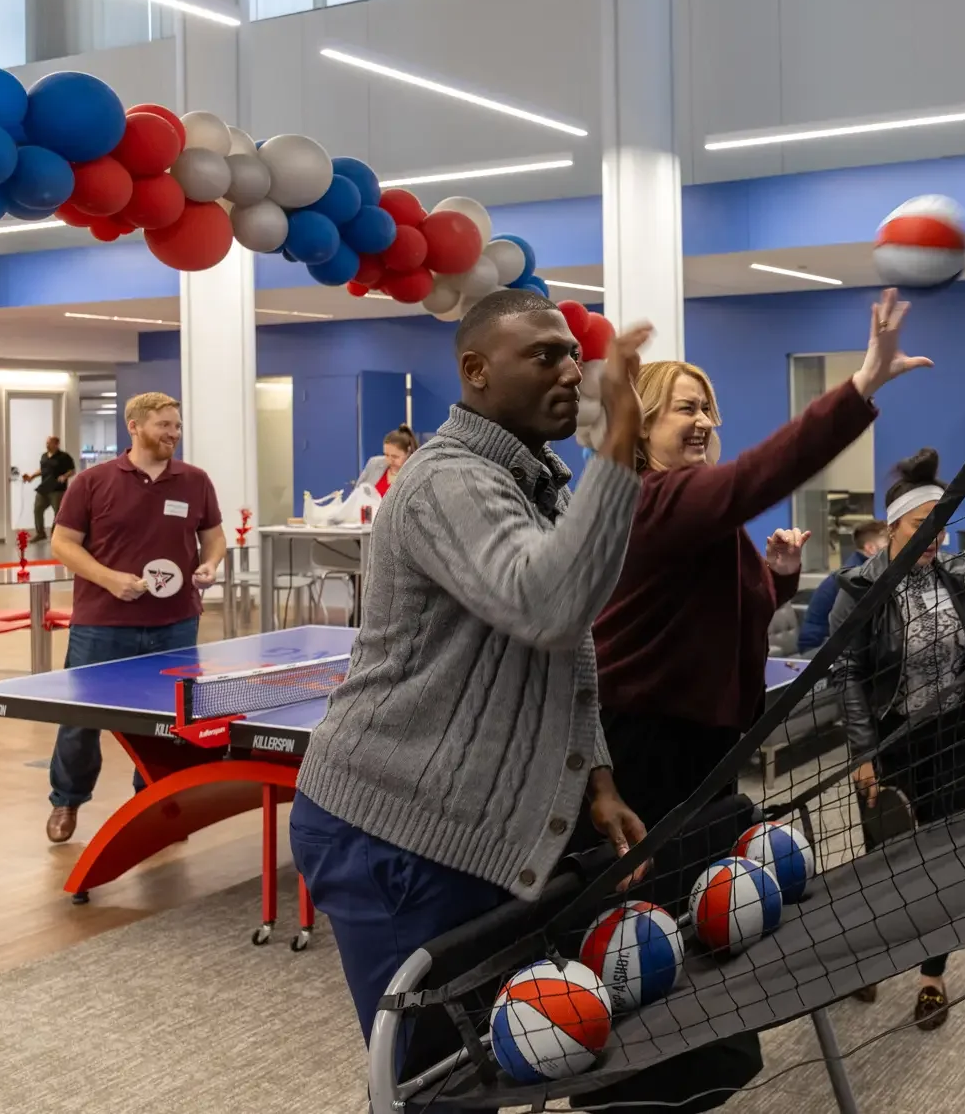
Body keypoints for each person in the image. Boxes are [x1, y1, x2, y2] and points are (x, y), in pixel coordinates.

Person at [589, 289, 928, 1108]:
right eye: (682, 410)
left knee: (704, 957)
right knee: (649, 962)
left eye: (707, 408)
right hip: (646, 759)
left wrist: (772, 583)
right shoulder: (655, 500)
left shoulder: (697, 516)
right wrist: (863, 386)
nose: (702, 422)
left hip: (705, 757)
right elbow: (759, 473)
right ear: (641, 427)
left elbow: (722, 635)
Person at [291, 289, 651, 1044]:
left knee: (484, 1057)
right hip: (389, 830)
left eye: (573, 356)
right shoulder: (447, 480)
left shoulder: (532, 480)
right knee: (428, 1080)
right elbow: (547, 605)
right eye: (545, 356)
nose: (570, 372)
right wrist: (619, 436)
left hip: (462, 822)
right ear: (477, 370)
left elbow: (560, 653)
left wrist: (598, 776)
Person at [832, 448, 965, 1030]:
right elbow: (847, 676)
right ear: (893, 526)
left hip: (953, 736)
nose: (936, 539)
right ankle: (869, 957)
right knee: (885, 863)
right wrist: (863, 754)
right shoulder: (859, 588)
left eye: (942, 528)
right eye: (924, 527)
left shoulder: (962, 576)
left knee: (947, 858)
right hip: (891, 741)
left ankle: (931, 977)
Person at [44, 393, 225, 844]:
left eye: (177, 426)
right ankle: (67, 799)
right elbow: (63, 544)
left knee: (169, 720)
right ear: (135, 426)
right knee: (81, 719)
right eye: (164, 425)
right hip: (102, 623)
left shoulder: (195, 481)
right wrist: (109, 580)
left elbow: (214, 537)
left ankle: (158, 800)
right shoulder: (91, 481)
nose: (173, 434)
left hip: (176, 621)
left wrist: (210, 564)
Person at [798, 518, 886, 653]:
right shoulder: (855, 577)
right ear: (871, 548)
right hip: (820, 647)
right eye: (889, 543)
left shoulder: (869, 570)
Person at [22, 434, 75, 542]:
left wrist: (65, 476)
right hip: (43, 488)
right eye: (46, 443)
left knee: (58, 513)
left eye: (49, 443)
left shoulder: (64, 457)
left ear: (56, 444)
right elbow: (42, 470)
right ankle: (40, 533)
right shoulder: (44, 456)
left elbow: (72, 470)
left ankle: (55, 534)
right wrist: (31, 476)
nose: (46, 445)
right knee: (37, 509)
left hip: (57, 489)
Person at [371, 425, 417, 496]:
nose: (389, 461)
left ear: (408, 452)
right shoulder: (374, 464)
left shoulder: (416, 475)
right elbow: (358, 492)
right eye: (386, 455)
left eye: (395, 457)